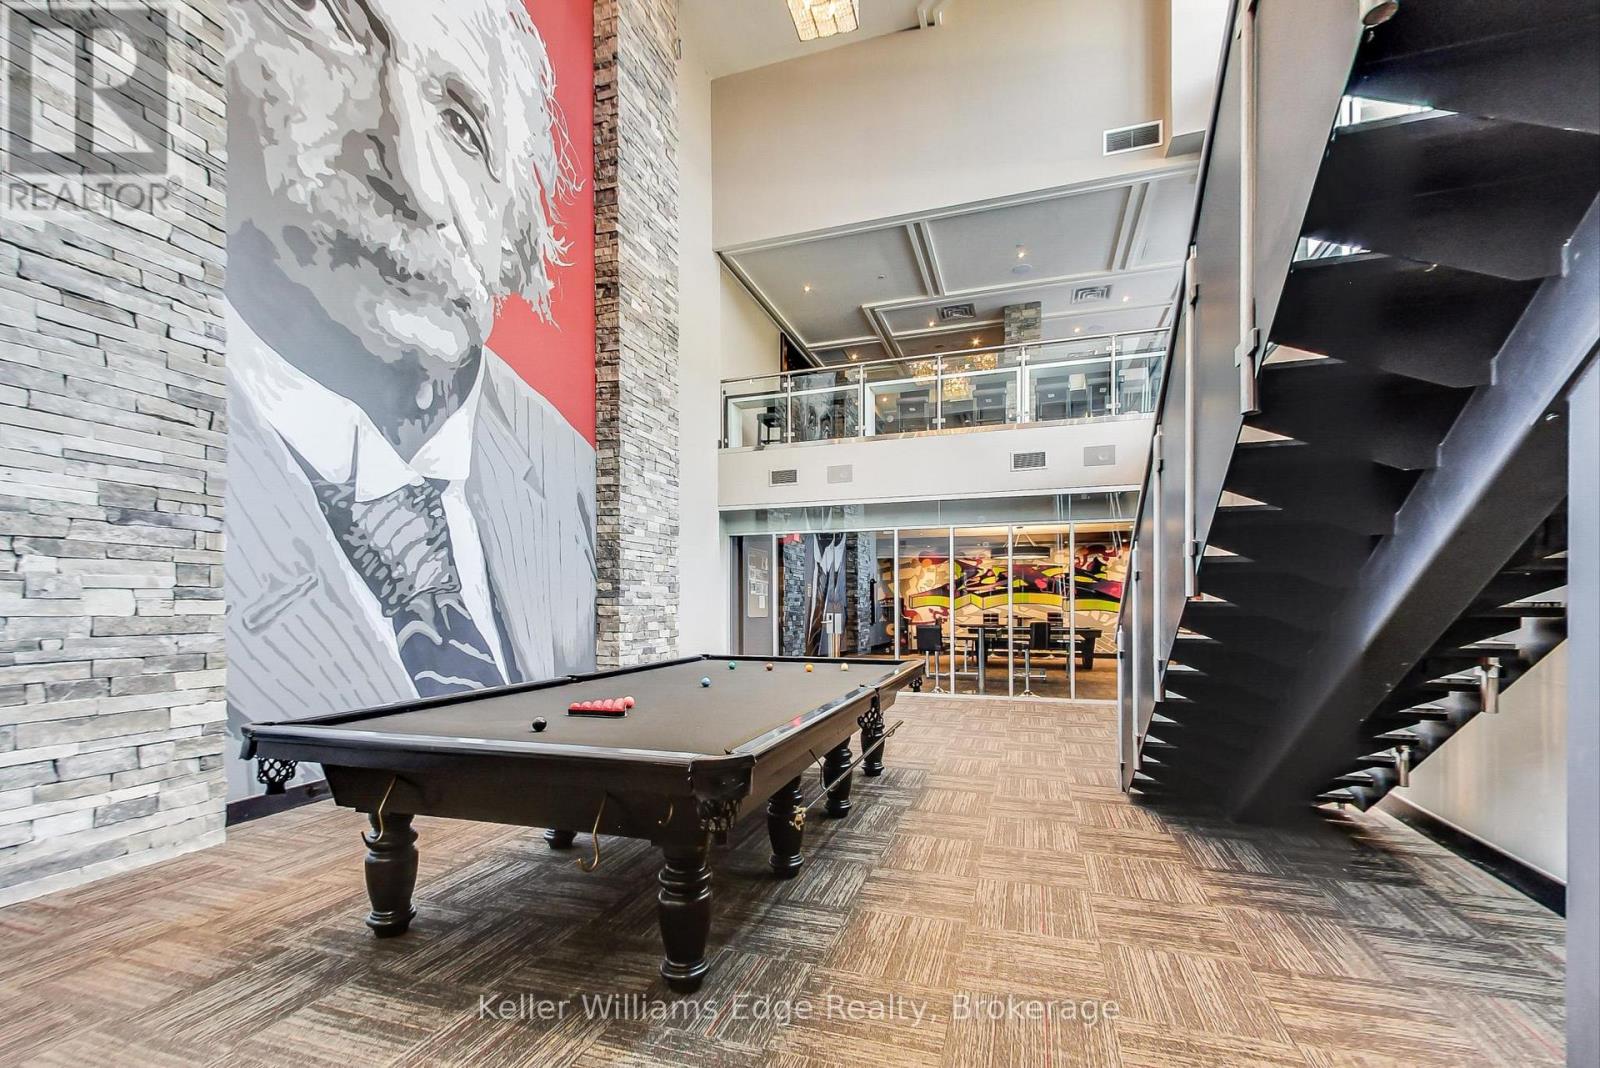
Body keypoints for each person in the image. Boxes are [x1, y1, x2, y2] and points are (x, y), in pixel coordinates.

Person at [223, 0, 595, 791]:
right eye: (334, 28)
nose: (416, 177)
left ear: (516, 244)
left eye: (463, 127)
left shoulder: (571, 477)